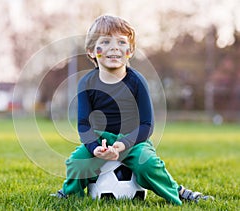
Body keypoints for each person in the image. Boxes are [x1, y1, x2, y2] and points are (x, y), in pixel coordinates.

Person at [52, 14, 213, 205]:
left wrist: (124, 143)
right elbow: (83, 123)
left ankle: (179, 192)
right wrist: (95, 148)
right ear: (92, 51)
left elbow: (147, 124)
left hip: (134, 140)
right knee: (76, 162)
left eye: (121, 42)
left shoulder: (137, 81)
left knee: (148, 164)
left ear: (130, 51)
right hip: (101, 140)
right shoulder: (86, 83)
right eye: (105, 42)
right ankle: (68, 194)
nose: (114, 48)